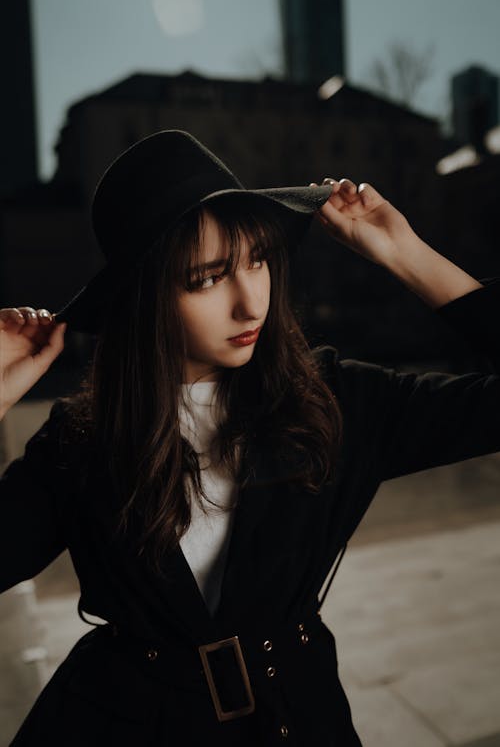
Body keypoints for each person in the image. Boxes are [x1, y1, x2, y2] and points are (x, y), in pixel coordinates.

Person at [0, 130, 499, 747]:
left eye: (257, 260)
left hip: (296, 721)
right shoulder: (81, 444)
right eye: (207, 279)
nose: (248, 303)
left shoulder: (332, 401)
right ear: (145, 298)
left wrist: (404, 253)